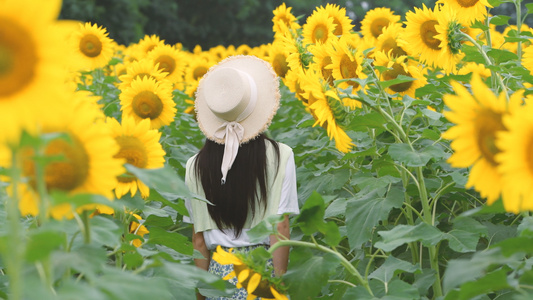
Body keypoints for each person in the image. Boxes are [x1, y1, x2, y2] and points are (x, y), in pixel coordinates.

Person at [183, 55, 299, 300]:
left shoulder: (195, 166)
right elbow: (280, 228)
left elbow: (199, 240)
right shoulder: (281, 156)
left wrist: (201, 296)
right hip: (261, 273)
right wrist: (277, 288)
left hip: (218, 277)